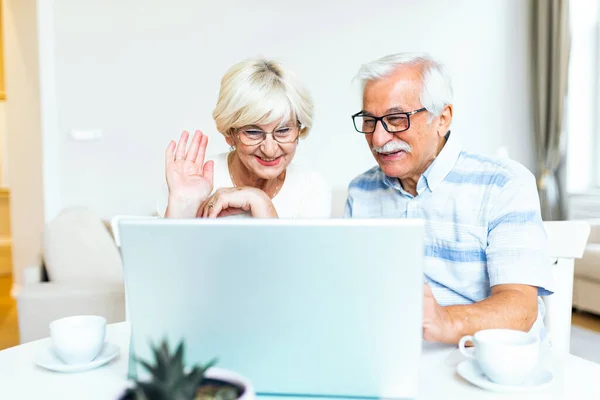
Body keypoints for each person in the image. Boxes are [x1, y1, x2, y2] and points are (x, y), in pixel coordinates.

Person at [345, 52, 553, 344]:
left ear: (441, 119)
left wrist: (446, 321)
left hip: (486, 361)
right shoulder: (361, 191)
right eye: (369, 121)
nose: (378, 138)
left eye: (395, 119)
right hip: (394, 356)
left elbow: (520, 307)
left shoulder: (504, 184)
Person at [163, 58, 331, 219]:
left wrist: (261, 202)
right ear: (230, 134)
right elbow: (168, 249)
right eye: (253, 132)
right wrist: (182, 205)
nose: (269, 149)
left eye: (283, 130)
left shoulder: (311, 187)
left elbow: (298, 251)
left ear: (299, 130)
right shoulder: (192, 178)